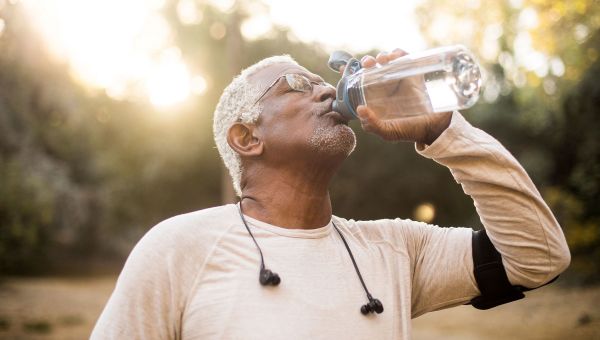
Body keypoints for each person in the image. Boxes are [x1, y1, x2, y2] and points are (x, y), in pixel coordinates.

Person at [91, 49, 570, 339]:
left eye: (324, 81)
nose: (326, 91)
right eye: (296, 85)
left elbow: (538, 258)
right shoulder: (179, 247)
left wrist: (446, 131)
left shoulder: (395, 249)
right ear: (247, 139)